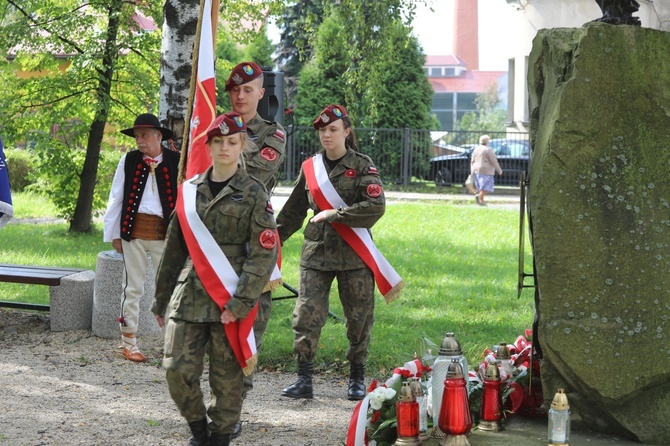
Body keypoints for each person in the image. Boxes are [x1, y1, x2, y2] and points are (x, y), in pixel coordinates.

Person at [151, 112, 278, 446]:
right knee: (176, 370)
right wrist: (160, 298)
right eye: (218, 141)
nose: (224, 147)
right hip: (191, 294)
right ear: (208, 145)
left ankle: (220, 437)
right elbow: (174, 250)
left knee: (228, 382)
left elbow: (263, 253)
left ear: (242, 147)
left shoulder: (255, 192)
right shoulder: (189, 191)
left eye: (232, 142)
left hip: (231, 296)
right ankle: (199, 430)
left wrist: (240, 303)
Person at [276, 105, 388, 401]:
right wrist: (274, 238)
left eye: (333, 129)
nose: (327, 135)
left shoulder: (362, 165)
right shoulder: (310, 168)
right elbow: (294, 210)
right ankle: (304, 378)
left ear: (346, 132)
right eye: (323, 130)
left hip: (354, 254)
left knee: (358, 317)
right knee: (306, 315)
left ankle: (356, 378)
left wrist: (336, 214)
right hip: (316, 254)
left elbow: (376, 206)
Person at [225, 61, 286, 438]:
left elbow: (251, 176)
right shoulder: (215, 129)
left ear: (261, 94)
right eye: (235, 90)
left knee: (248, 327)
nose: (241, 96)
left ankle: (233, 408)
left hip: (253, 241)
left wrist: (217, 152)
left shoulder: (272, 133)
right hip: (214, 240)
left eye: (249, 90)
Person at [103, 113, 179, 362]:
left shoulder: (176, 160)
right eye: (137, 136)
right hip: (133, 233)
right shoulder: (128, 160)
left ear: (159, 136)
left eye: (144, 135)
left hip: (164, 236)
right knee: (132, 288)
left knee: (169, 288)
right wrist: (114, 234)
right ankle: (129, 342)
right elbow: (116, 198)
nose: (139, 140)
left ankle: (173, 344)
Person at [470, 134, 502, 206]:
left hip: (476, 170)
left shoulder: (476, 149)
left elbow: (472, 160)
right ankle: (479, 197)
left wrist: (472, 170)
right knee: (487, 186)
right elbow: (494, 161)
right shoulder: (488, 150)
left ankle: (481, 201)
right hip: (486, 171)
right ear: (487, 141)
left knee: (481, 187)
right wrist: (499, 170)